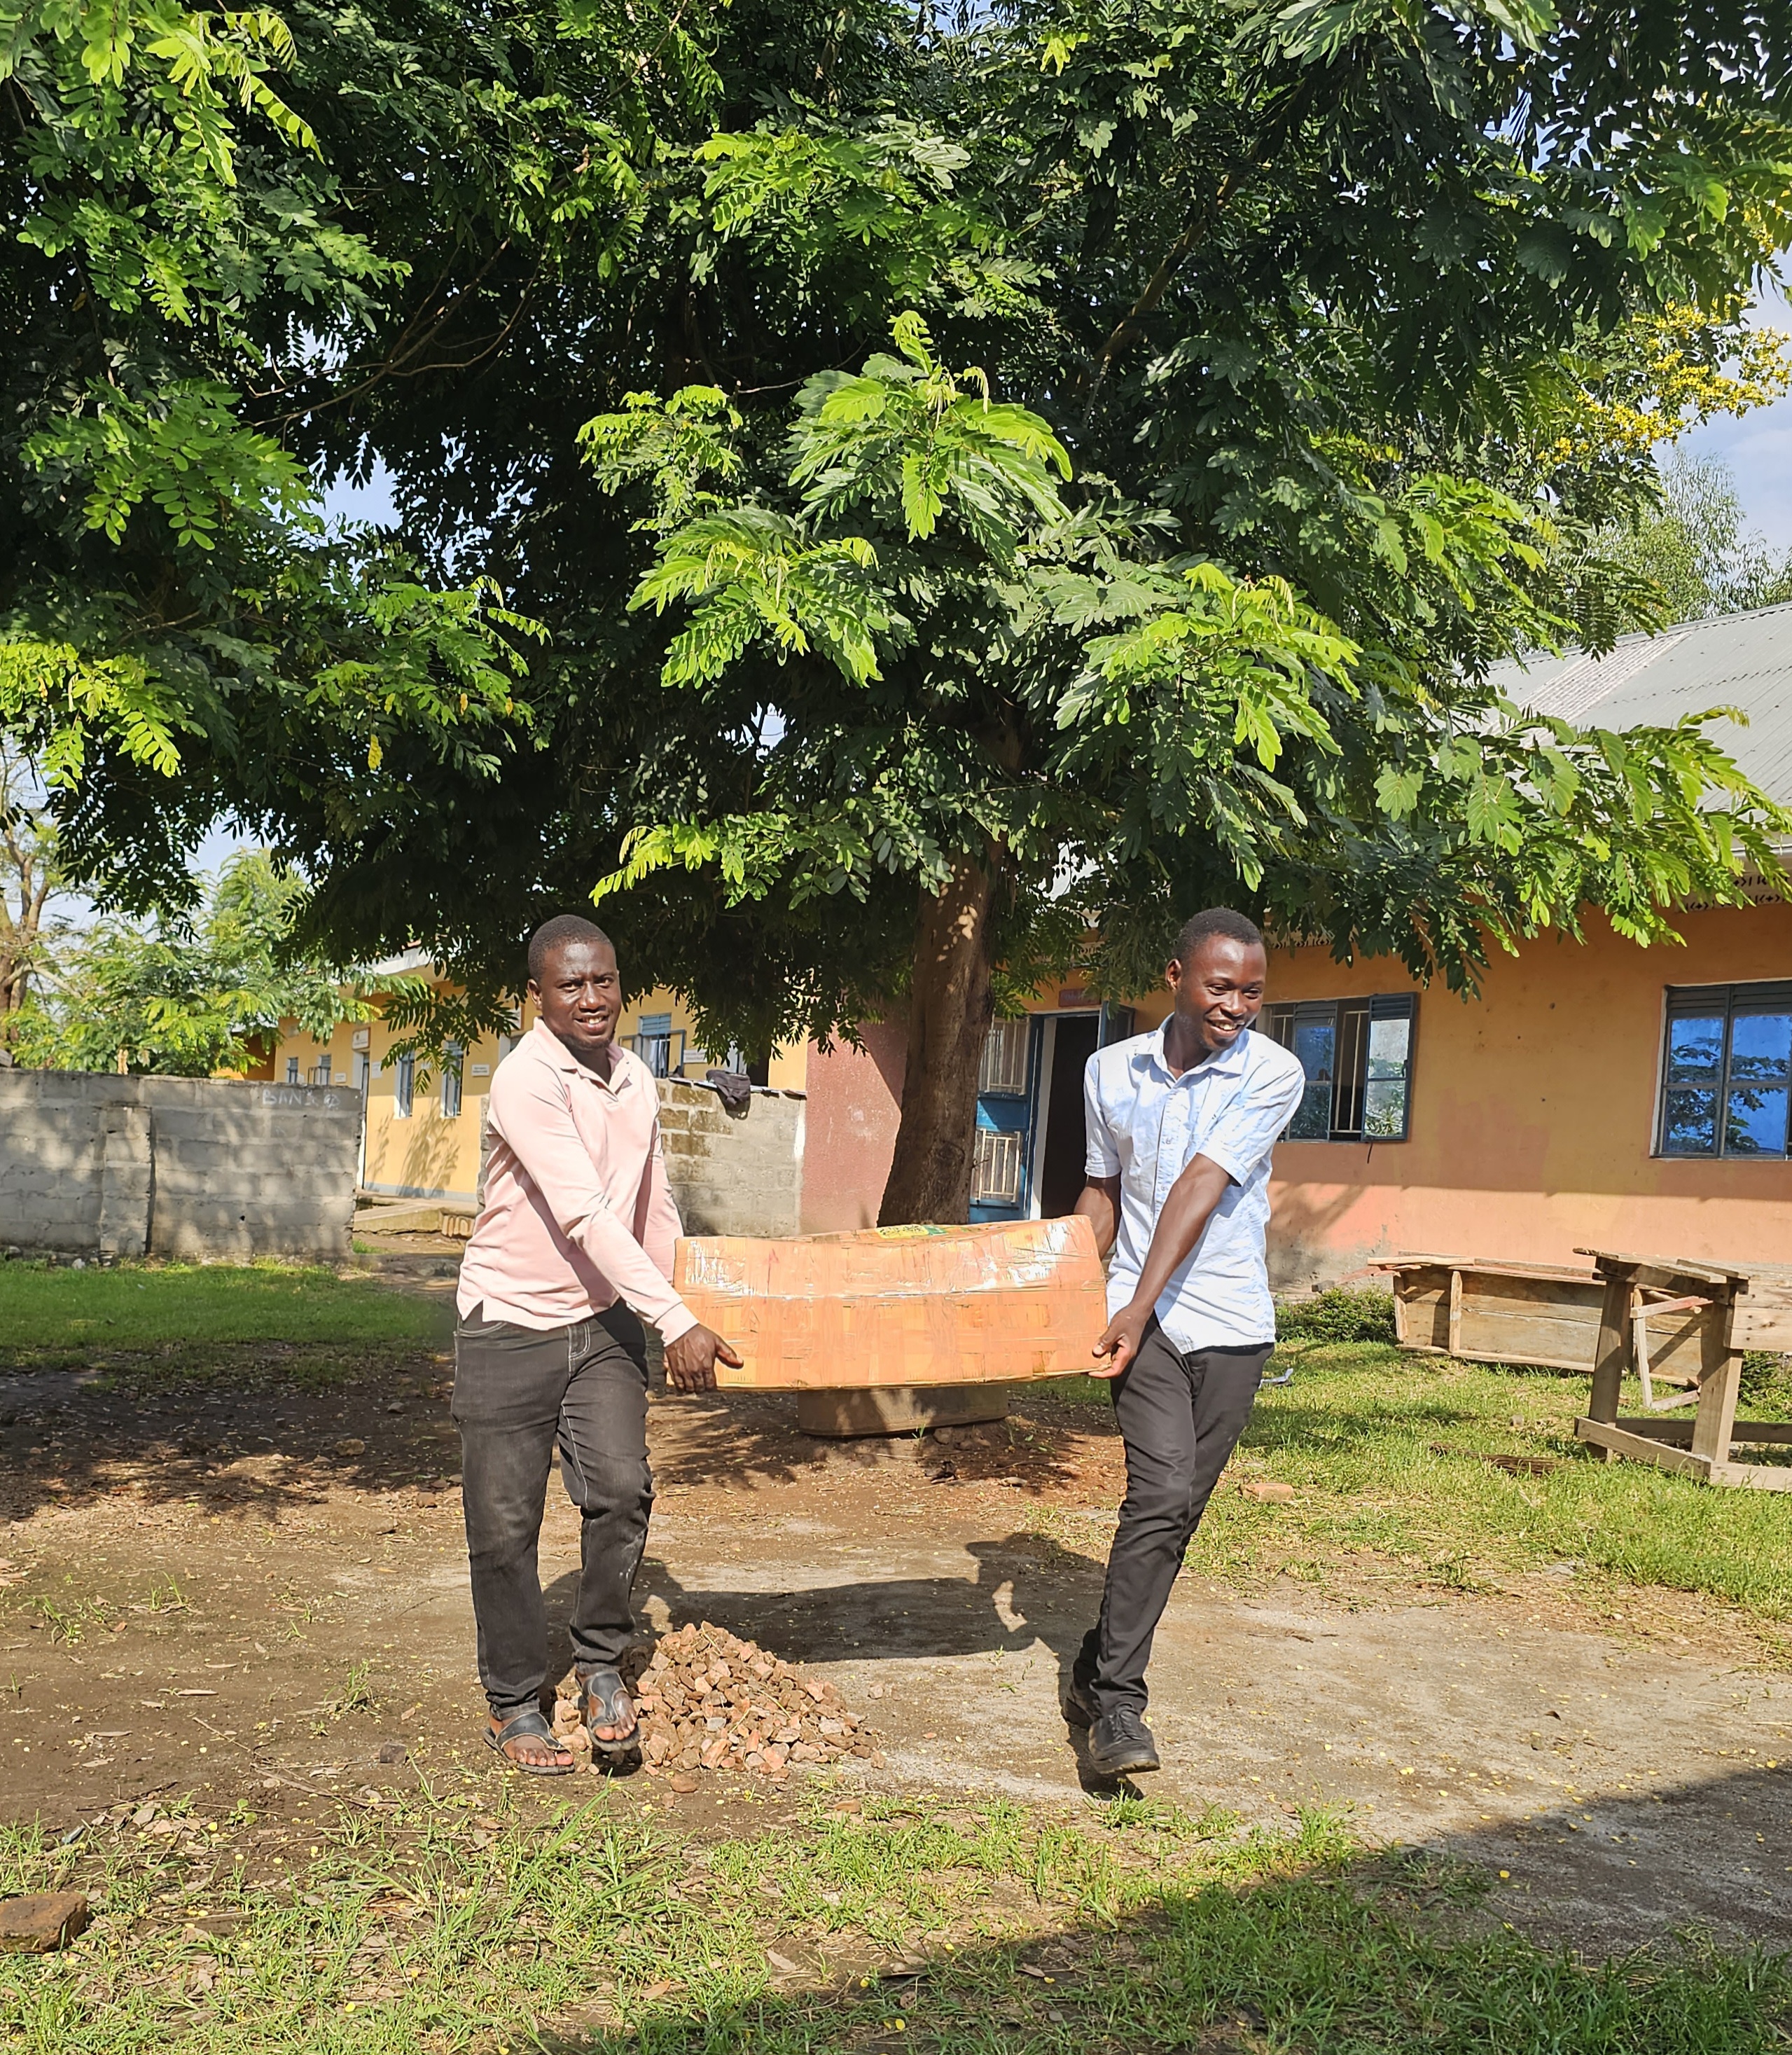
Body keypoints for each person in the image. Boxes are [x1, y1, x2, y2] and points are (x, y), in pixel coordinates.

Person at [452, 915, 742, 1773]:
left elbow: (651, 1206)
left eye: (603, 981)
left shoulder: (635, 1079)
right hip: (508, 1322)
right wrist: (674, 1322)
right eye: (570, 984)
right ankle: (514, 1701)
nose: (591, 998)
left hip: (602, 1323)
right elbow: (582, 1211)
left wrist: (681, 1305)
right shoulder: (526, 1078)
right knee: (505, 1527)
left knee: (621, 1490)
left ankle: (601, 1664)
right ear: (536, 995)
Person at [1067, 907, 1305, 1778]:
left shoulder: (1273, 1072)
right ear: (1175, 977)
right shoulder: (1108, 1071)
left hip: (1232, 1322)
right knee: (1160, 1496)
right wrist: (1059, 1287)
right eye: (1221, 986)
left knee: (1178, 1516)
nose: (1237, 1005)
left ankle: (1093, 1667)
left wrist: (1135, 1302)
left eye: (1253, 992)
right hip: (1147, 1324)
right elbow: (1102, 1194)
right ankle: (1119, 1707)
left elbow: (1203, 1182)